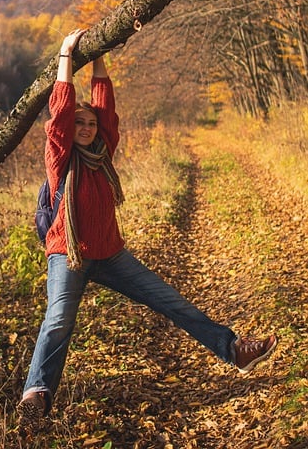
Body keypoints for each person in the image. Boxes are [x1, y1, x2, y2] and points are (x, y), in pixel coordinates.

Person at [17, 29, 277, 438]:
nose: (84, 127)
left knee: (173, 302)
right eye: (78, 123)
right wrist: (67, 54)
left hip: (111, 255)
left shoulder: (103, 156)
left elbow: (107, 107)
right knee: (58, 320)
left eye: (90, 123)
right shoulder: (60, 159)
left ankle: (234, 350)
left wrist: (99, 56)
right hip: (69, 253)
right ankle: (36, 394)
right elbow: (60, 114)